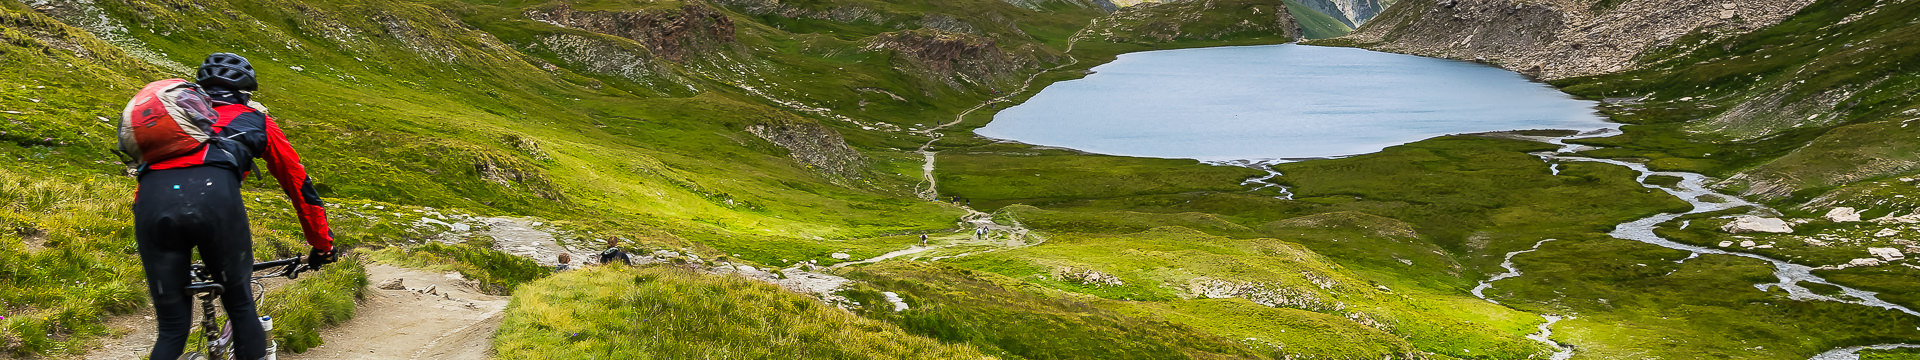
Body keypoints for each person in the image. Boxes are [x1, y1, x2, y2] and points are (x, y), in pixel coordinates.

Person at [135, 52, 338, 360]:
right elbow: (299, 187)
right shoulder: (257, 120)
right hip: (215, 201)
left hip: (152, 203)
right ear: (245, 93)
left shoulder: (175, 119)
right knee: (241, 310)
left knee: (172, 330)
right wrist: (322, 245)